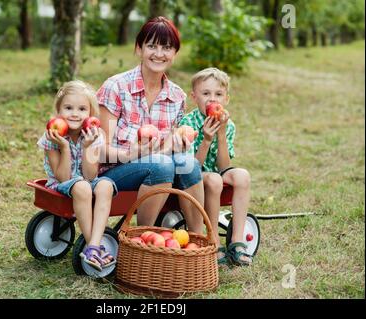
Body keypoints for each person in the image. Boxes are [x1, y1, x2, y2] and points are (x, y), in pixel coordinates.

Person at [97, 16, 205, 233]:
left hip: (159, 168)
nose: (159, 53)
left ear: (175, 53)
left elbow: (167, 151)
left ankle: (198, 242)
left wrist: (177, 145)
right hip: (114, 171)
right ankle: (141, 240)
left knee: (188, 163)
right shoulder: (116, 87)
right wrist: (131, 154)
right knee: (161, 165)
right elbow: (98, 151)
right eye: (151, 45)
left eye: (166, 47)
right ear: (139, 48)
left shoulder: (177, 96)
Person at [37, 80, 118, 272]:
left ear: (90, 113)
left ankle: (93, 245)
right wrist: (64, 147)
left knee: (105, 185)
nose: (75, 113)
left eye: (82, 109)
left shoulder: (93, 134)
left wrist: (87, 147)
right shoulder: (52, 135)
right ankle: (95, 247)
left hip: (86, 181)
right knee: (80, 186)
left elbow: (90, 176)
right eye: (68, 107)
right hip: (61, 184)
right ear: (59, 111)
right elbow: (64, 177)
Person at [179, 67, 252, 266]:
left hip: (216, 173)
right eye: (206, 94)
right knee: (213, 178)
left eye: (218, 94)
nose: (213, 100)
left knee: (242, 175)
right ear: (194, 97)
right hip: (193, 177)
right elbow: (192, 167)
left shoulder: (228, 124)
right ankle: (213, 241)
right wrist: (206, 140)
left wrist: (220, 135)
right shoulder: (188, 123)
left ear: (226, 99)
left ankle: (236, 240)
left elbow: (224, 166)